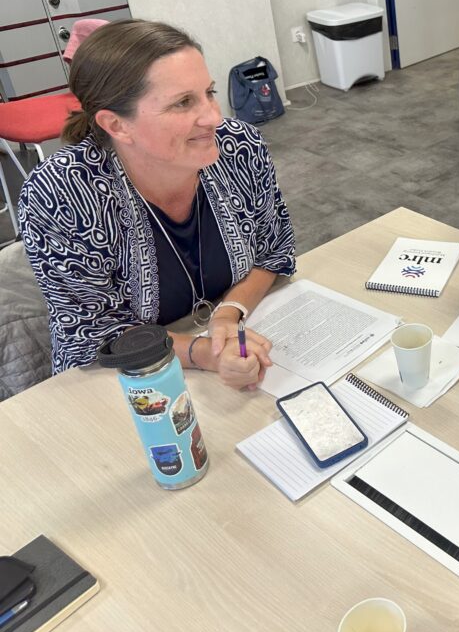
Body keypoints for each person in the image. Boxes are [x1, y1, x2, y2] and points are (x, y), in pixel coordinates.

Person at [19, 20, 295, 390]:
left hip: (224, 349)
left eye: (208, 92)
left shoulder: (239, 148)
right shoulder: (61, 194)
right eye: (183, 102)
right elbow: (95, 333)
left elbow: (273, 252)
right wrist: (202, 353)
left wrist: (228, 316)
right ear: (117, 125)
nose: (213, 116)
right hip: (118, 381)